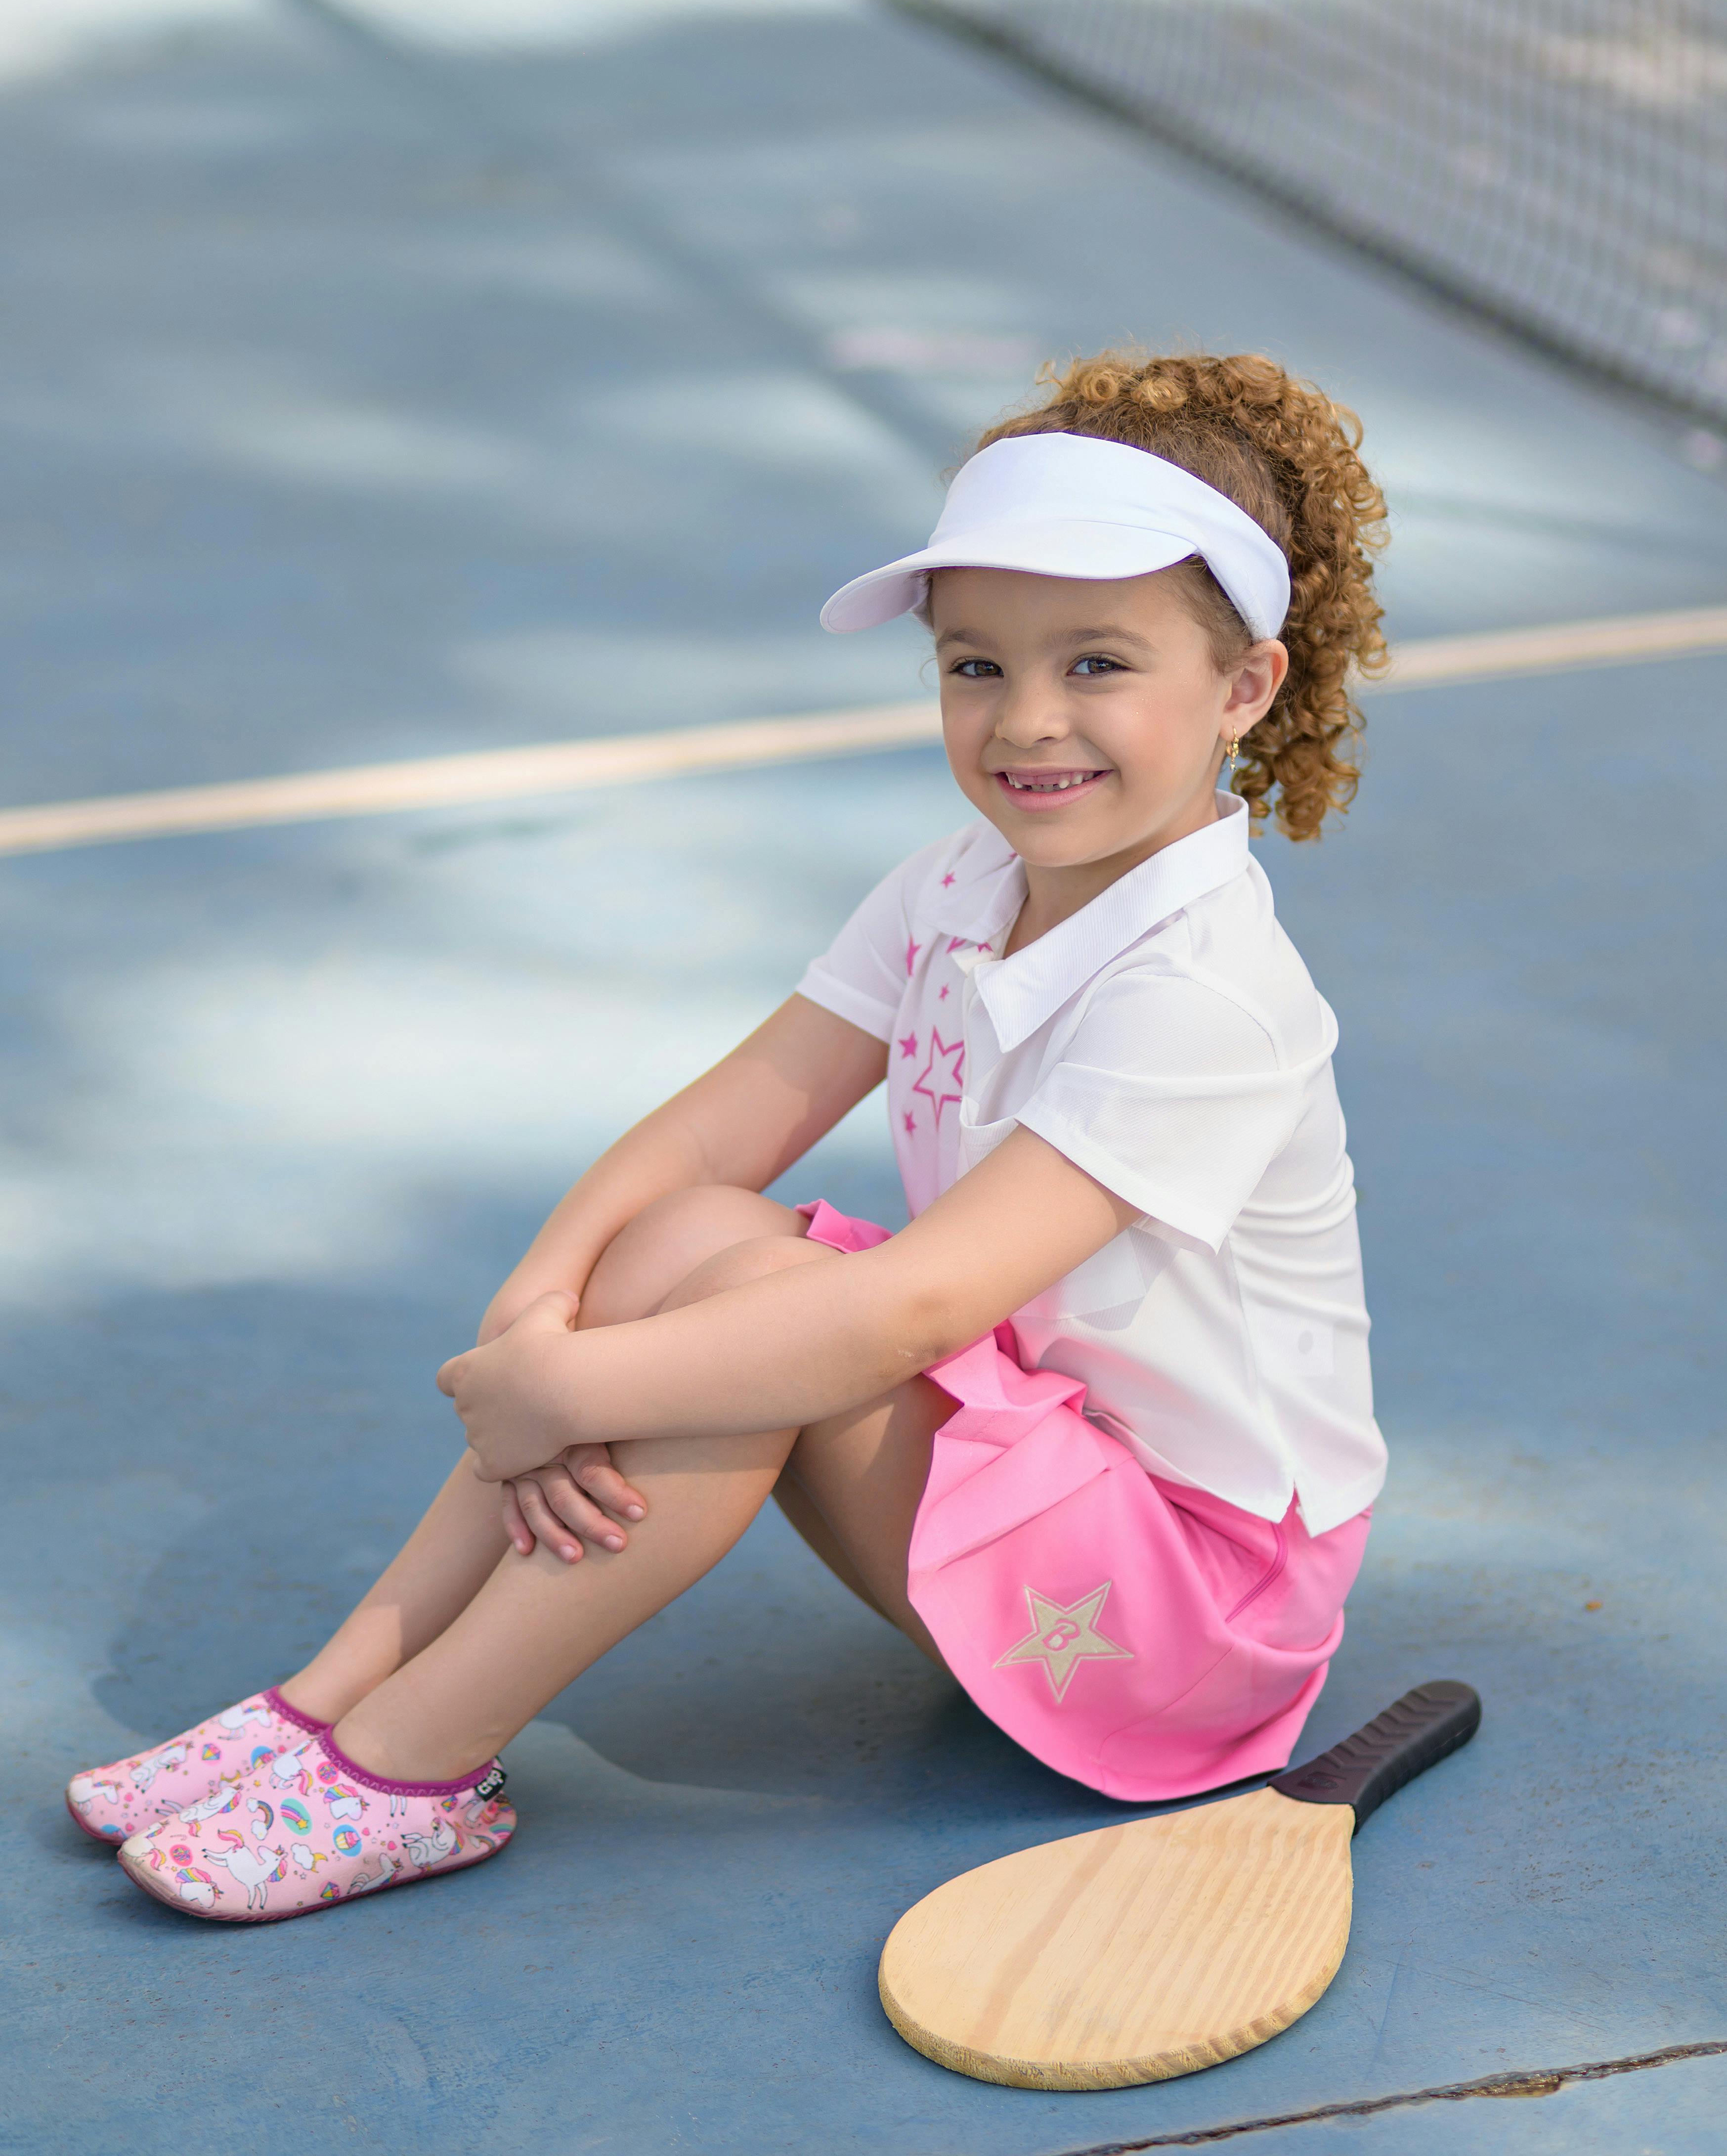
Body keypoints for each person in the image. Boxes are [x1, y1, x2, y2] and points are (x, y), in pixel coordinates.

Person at [70, 349, 1391, 1923]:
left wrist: (565, 1390)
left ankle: (414, 1764)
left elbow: (913, 1311)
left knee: (769, 1320)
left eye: (1098, 663)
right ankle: (336, 1694)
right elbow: (713, 1138)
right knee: (689, 1245)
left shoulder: (1206, 995)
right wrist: (535, 1313)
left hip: (1187, 1621)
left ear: (1245, 686)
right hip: (1040, 1487)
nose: (1029, 721)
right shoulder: (954, 887)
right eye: (977, 666)